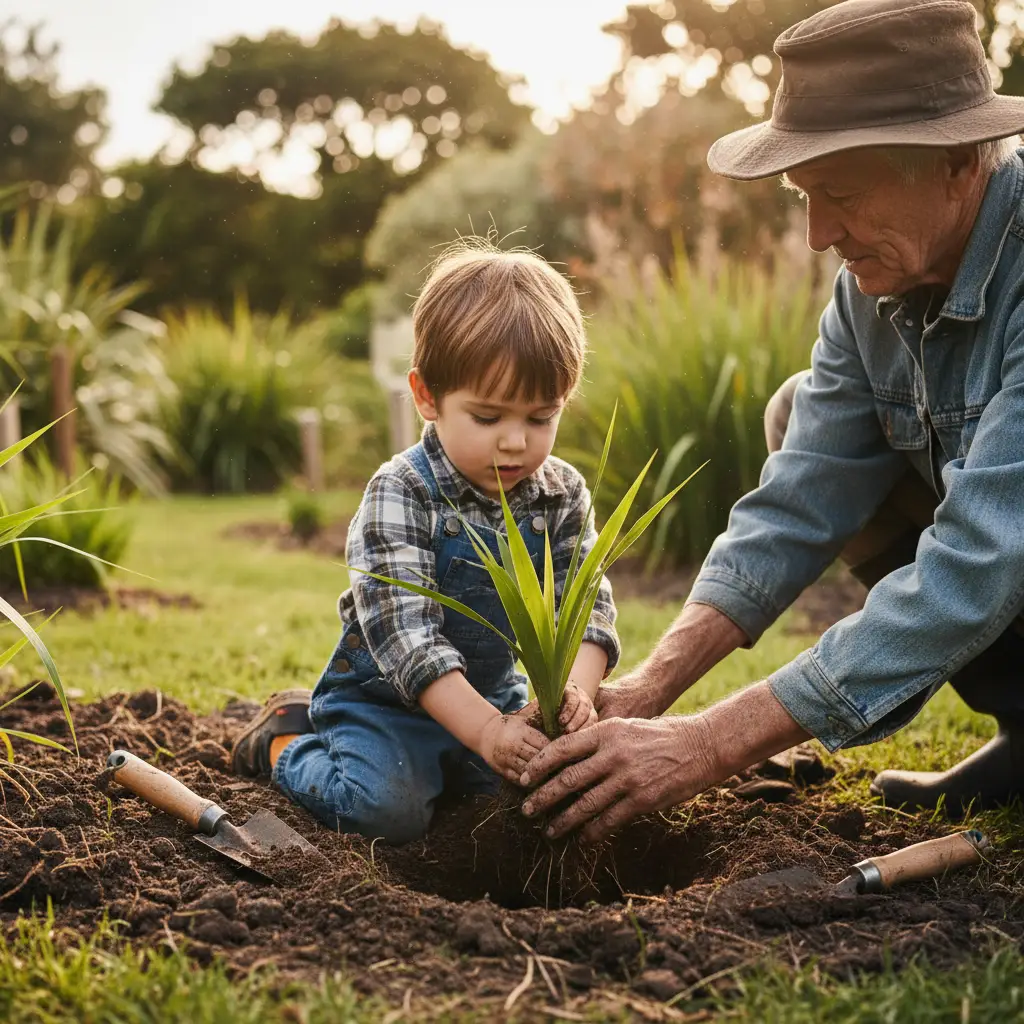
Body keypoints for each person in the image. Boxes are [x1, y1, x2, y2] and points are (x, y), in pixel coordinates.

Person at [519, 0, 1024, 842]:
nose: (820, 233)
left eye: (842, 193)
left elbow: (981, 560)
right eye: (804, 197)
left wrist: (707, 746)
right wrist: (647, 690)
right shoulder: (869, 293)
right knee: (797, 414)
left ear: (955, 160)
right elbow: (797, 502)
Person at [229, 242, 619, 843]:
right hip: (385, 705)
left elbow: (588, 605)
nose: (515, 442)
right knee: (385, 813)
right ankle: (283, 740)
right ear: (426, 396)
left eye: (541, 418)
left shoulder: (560, 493)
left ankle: (459, 766)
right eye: (488, 418)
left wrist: (576, 692)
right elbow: (405, 634)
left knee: (539, 804)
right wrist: (488, 735)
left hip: (494, 696)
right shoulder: (403, 491)